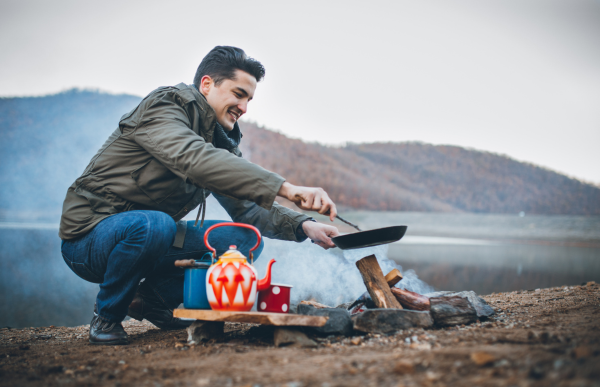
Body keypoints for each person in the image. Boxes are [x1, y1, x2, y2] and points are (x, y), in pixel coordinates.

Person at [59, 46, 340, 345]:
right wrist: (286, 188)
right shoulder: (164, 107)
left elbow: (247, 208)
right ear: (207, 84)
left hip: (148, 237)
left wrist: (304, 225)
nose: (244, 107)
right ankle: (107, 316)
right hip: (88, 239)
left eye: (249, 99)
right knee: (156, 224)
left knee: (242, 241)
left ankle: (149, 300)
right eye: (238, 94)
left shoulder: (219, 142)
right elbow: (194, 158)